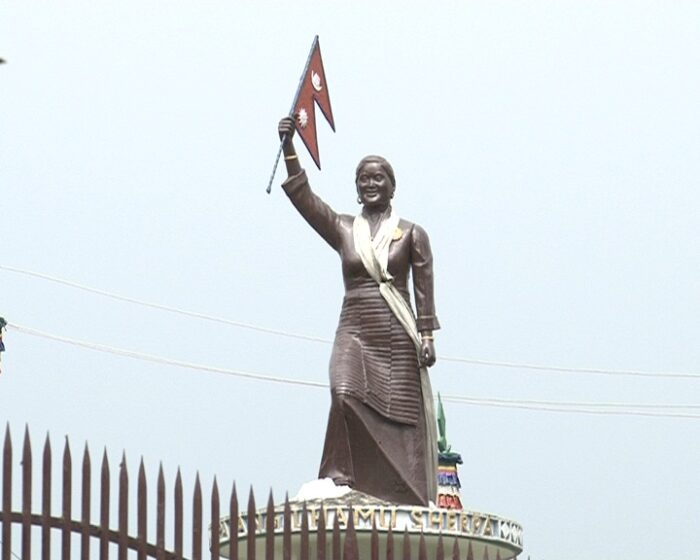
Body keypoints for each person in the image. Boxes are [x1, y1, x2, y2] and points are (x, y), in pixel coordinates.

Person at [277, 117, 440, 506]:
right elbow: (307, 201)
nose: (369, 183)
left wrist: (428, 335)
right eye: (363, 178)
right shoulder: (345, 229)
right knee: (344, 392)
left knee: (400, 414)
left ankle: (400, 487)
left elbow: (424, 288)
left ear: (391, 187)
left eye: (377, 178)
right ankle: (341, 478)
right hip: (354, 327)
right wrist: (289, 149)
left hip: (396, 331)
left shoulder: (412, 233)